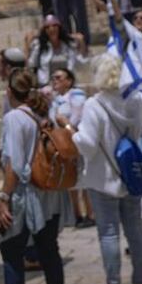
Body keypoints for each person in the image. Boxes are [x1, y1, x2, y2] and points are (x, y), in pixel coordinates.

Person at [0, 70, 73, 284]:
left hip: (25, 195)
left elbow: (14, 164)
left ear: (9, 92)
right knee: (49, 251)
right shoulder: (44, 112)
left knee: (11, 250)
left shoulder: (14, 118)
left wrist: (3, 199)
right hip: (50, 193)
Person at [71, 53, 142, 284]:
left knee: (109, 234)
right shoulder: (137, 101)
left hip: (104, 178)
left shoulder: (95, 104)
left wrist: (69, 132)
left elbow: (88, 144)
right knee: (136, 233)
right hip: (132, 176)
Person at [48, 67, 95, 228]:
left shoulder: (76, 95)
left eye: (59, 78)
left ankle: (90, 214)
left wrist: (66, 126)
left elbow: (76, 116)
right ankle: (77, 215)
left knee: (84, 178)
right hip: (64, 143)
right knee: (71, 180)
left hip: (76, 139)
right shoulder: (54, 98)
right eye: (53, 77)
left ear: (69, 81)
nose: (55, 80)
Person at [26, 14, 86, 86]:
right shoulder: (39, 46)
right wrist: (27, 45)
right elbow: (31, 64)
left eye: (54, 26)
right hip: (46, 85)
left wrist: (82, 43)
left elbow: (80, 62)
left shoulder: (68, 45)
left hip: (66, 85)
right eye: (48, 27)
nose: (51, 29)